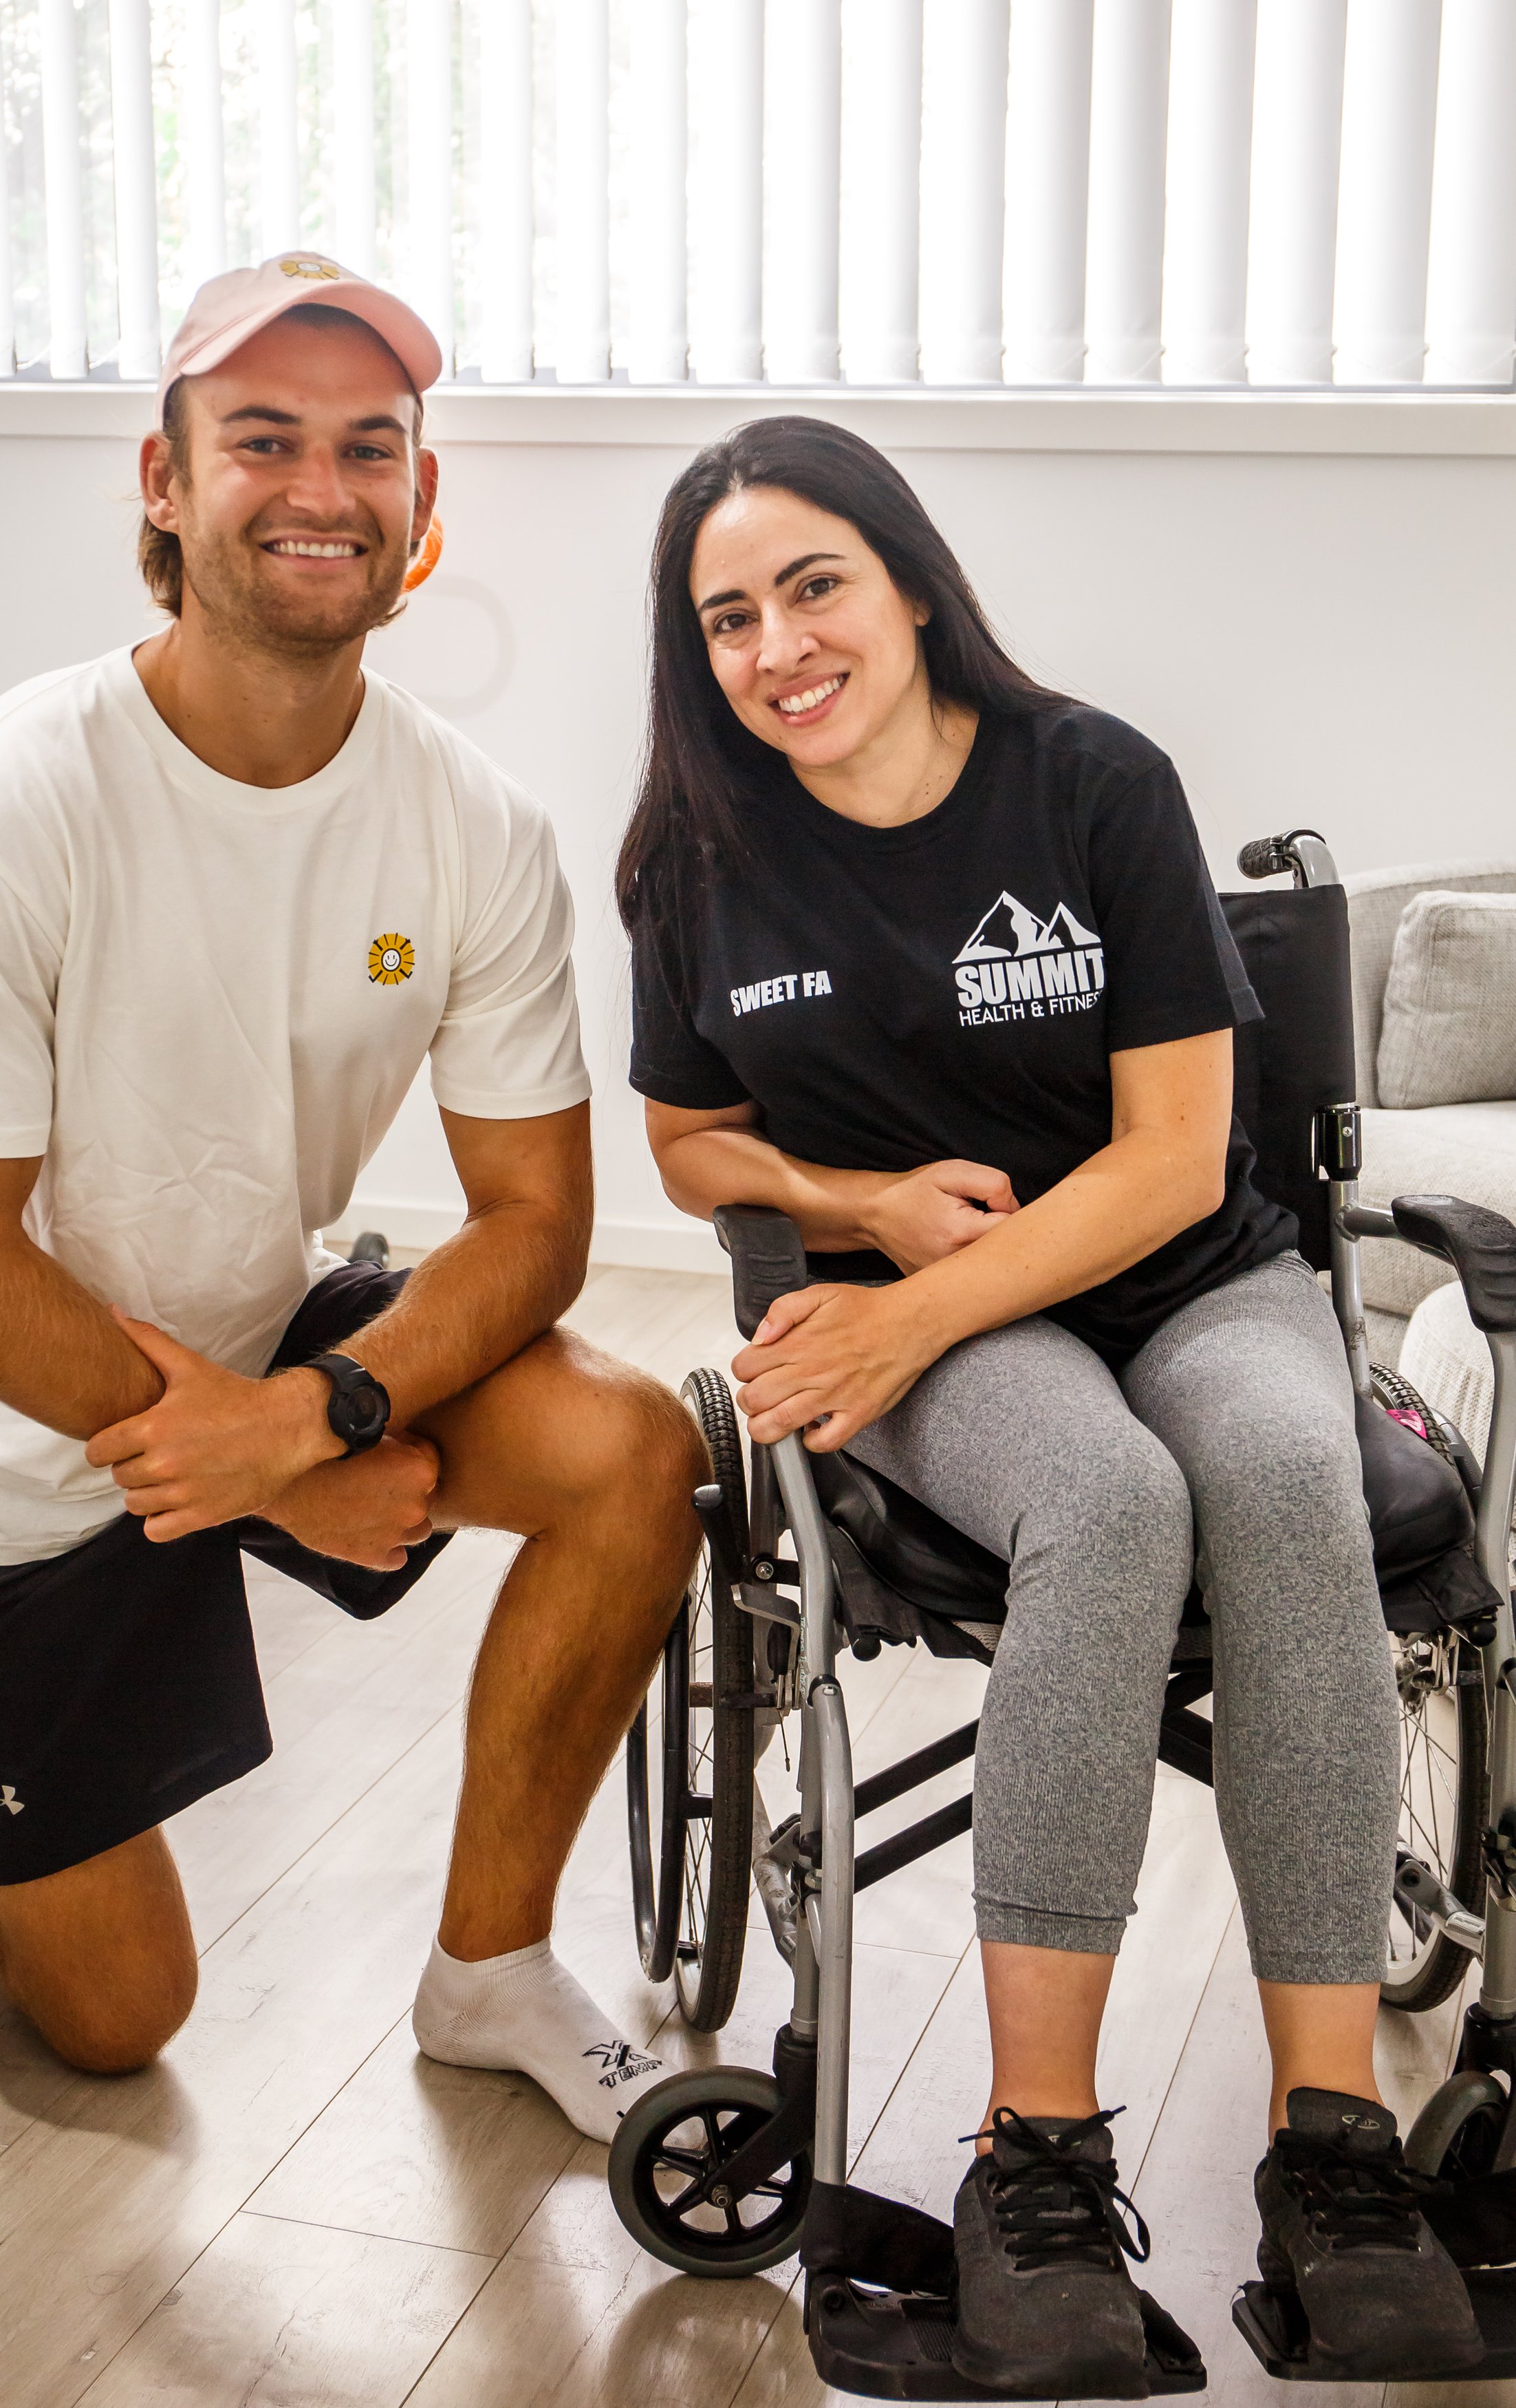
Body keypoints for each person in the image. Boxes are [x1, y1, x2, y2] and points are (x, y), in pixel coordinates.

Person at [617, 415, 1482, 2389]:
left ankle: (1329, 2146)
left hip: (1189, 1280)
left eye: (811, 584)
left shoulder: (1085, 782)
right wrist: (851, 1218)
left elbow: (1176, 1160)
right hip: (932, 1325)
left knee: (1278, 1478)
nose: (775, 645)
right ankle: (1037, 2156)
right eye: (726, 615)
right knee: (1102, 1505)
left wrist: (911, 1318)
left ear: (910, 582)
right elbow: (685, 1142)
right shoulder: (697, 856)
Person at [0, 252, 702, 2145]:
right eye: (261, 440)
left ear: (420, 510)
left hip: (258, 1341)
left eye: (368, 447)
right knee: (120, 2024)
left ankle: (488, 1970)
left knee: (632, 1448)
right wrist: (275, 1465)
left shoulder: (471, 823)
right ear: (162, 485)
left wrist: (315, 1414)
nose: (321, 487)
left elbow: (534, 1227)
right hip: (19, 1452)